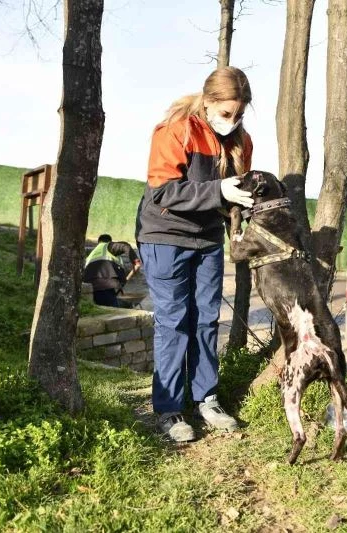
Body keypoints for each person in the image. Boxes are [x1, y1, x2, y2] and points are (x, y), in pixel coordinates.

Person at [135, 66, 255, 442]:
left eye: (238, 115)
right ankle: (170, 409)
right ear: (208, 103)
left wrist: (243, 212)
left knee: (206, 319)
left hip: (207, 239)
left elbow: (235, 190)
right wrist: (219, 192)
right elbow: (163, 193)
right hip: (165, 236)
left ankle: (207, 398)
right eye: (225, 114)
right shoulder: (175, 130)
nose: (231, 122)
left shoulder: (241, 141)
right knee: (174, 322)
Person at [83, 234, 141, 308]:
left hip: (91, 289)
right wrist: (136, 261)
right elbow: (125, 245)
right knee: (114, 312)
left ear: (98, 242)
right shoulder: (107, 246)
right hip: (105, 284)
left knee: (103, 311)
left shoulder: (92, 254)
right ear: (110, 241)